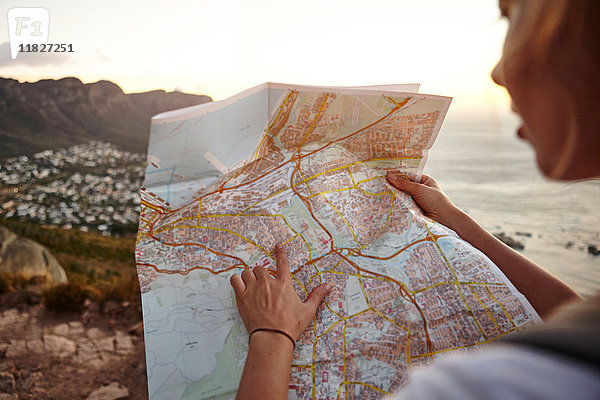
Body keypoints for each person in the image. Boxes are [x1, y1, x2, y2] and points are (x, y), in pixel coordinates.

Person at [229, 0, 600, 398]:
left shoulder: (491, 387)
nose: (498, 73)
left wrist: (272, 333)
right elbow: (574, 316)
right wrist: (454, 219)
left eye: (513, 17)